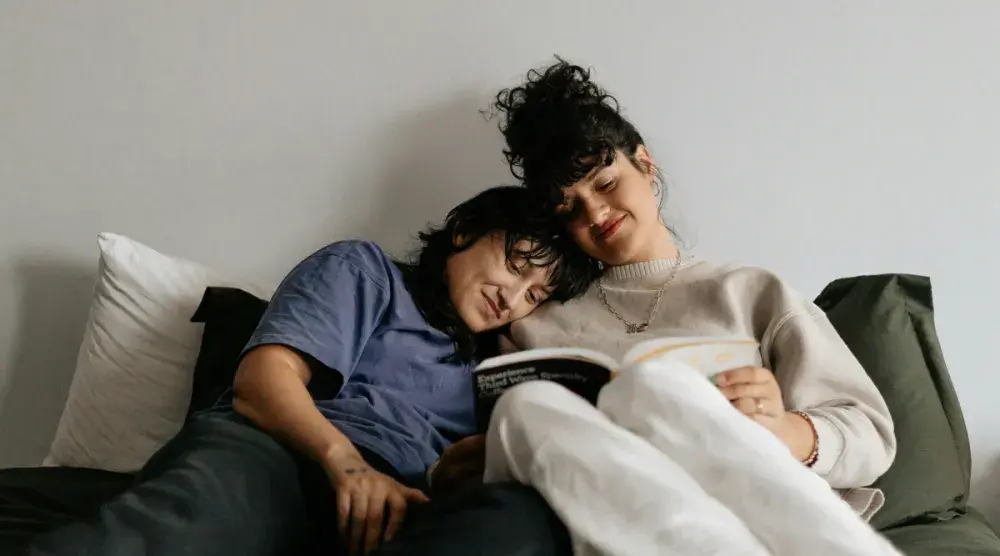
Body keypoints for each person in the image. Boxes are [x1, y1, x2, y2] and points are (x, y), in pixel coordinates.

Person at [20, 186, 592, 556]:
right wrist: (345, 464)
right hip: (283, 456)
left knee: (520, 528)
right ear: (465, 231)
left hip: (402, 507)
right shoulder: (366, 272)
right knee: (185, 532)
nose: (514, 298)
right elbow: (262, 382)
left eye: (535, 294)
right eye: (515, 266)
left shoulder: (496, 367)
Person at [474, 59, 901, 555]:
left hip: (759, 524)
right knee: (522, 409)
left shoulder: (750, 291)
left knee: (652, 386)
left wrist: (785, 430)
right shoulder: (533, 323)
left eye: (606, 184)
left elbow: (870, 434)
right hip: (616, 530)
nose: (596, 213)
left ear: (645, 164)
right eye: (569, 208)